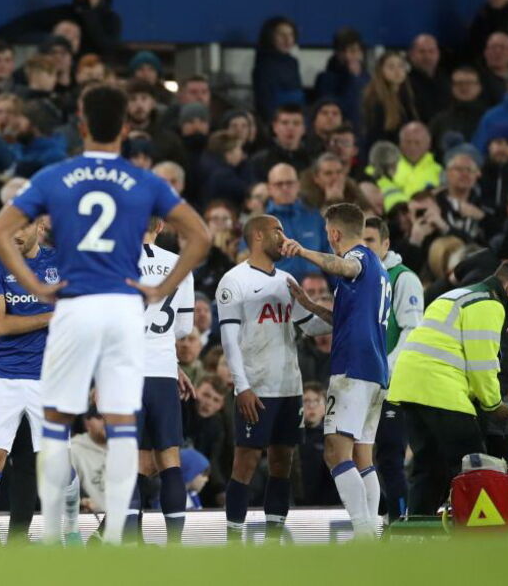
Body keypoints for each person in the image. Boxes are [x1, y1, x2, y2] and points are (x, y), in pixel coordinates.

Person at [0, 84, 210, 545]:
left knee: (55, 423)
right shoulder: (145, 181)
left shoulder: (55, 176)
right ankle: (118, 544)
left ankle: (51, 538)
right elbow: (201, 237)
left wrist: (37, 287)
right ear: (127, 127)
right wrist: (161, 287)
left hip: (74, 306)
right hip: (123, 310)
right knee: (125, 427)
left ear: (82, 124)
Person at [279, 203, 389, 537]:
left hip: (353, 368)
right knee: (362, 456)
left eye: (328, 235)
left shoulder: (361, 258)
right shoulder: (378, 270)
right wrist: (312, 306)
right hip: (375, 371)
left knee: (334, 452)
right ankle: (374, 527)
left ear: (335, 233)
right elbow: (345, 320)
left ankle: (365, 531)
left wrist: (301, 250)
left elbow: (342, 265)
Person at [218, 215, 330, 540]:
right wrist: (242, 386)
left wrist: (333, 312)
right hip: (256, 386)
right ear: (256, 235)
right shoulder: (233, 280)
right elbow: (228, 339)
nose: (283, 237)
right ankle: (234, 543)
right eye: (277, 231)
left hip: (289, 387)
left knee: (283, 462)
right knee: (245, 463)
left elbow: (310, 326)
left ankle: (272, 540)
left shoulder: (285, 281)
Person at [388, 263, 508, 514]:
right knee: (475, 464)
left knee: (428, 468)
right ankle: (479, 534)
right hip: (441, 390)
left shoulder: (455, 295)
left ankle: (416, 532)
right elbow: (482, 363)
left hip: (408, 387)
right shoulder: (489, 303)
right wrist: (494, 404)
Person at [0, 218, 80, 547]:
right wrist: (52, 315)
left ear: (40, 226)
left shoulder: (59, 263)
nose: (15, 233)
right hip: (4, 376)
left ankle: (70, 527)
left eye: (23, 226)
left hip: (49, 379)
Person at [131, 217, 196, 543]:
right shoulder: (179, 265)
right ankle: (174, 544)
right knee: (168, 458)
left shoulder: (117, 262)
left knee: (128, 459)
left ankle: (128, 540)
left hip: (126, 372)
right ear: (160, 226)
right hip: (162, 371)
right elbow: (183, 329)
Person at [363, 217, 423, 521]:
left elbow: (411, 332)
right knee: (361, 457)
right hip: (364, 382)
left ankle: (400, 523)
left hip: (391, 384)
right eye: (360, 240)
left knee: (389, 456)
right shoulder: (359, 278)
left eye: (370, 240)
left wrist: (384, 372)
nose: (364, 247)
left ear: (386, 244)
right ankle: (381, 519)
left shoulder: (403, 279)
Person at [263, 163, 329, 283]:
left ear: (298, 185)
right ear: (269, 189)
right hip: (278, 294)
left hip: (316, 293)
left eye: (289, 183)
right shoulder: (260, 223)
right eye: (279, 184)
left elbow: (329, 255)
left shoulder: (314, 217)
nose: (285, 188)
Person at [314, 27, 369, 133]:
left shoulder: (368, 79)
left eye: (353, 51)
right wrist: (352, 79)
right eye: (343, 51)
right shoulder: (326, 79)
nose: (348, 56)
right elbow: (337, 108)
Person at [252, 16, 304, 121]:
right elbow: (265, 103)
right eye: (281, 34)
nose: (287, 39)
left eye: (290, 34)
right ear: (270, 37)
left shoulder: (293, 62)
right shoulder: (264, 66)